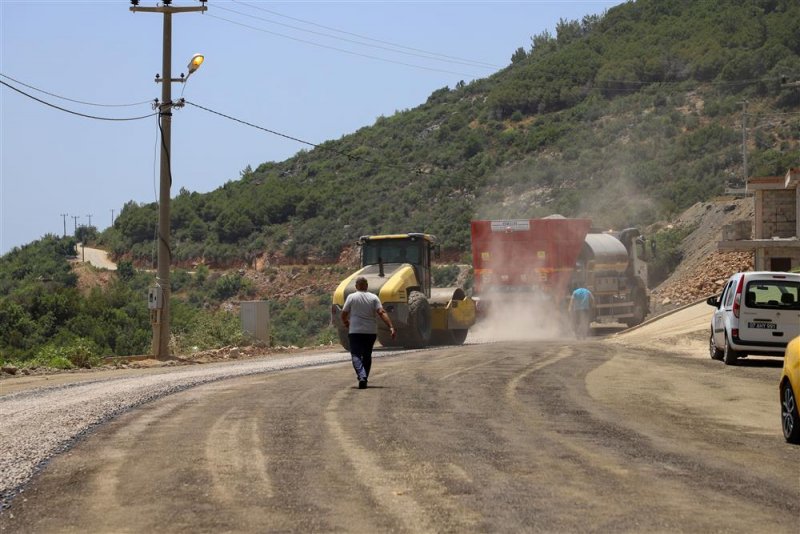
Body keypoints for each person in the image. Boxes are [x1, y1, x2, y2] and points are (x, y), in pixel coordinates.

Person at [341, 276, 396, 389]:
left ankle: (362, 377)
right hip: (370, 332)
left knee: (355, 354)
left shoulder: (351, 297)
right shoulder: (373, 297)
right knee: (367, 355)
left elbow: (344, 313)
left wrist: (346, 322)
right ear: (366, 286)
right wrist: (391, 327)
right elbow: (381, 312)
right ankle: (364, 378)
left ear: (356, 286)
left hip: (355, 331)